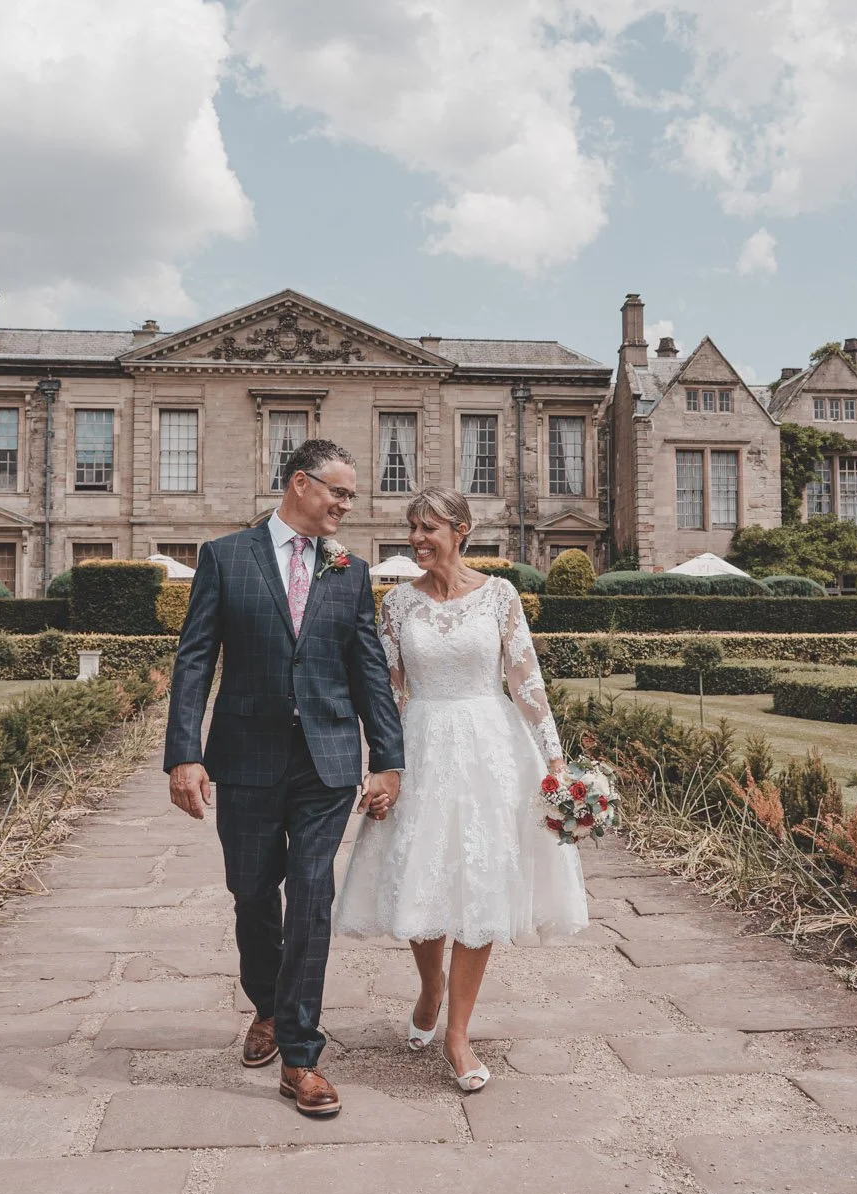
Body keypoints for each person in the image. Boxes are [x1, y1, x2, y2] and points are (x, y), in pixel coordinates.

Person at [164, 439, 404, 1119]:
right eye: (338, 491)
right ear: (300, 483)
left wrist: (388, 758)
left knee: (311, 894)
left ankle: (301, 1052)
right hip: (245, 755)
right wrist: (184, 753)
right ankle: (267, 1004)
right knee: (251, 892)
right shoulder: (224, 557)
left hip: (327, 757)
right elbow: (194, 658)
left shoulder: (351, 570)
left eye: (350, 494)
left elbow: (368, 669)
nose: (346, 504)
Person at [334, 486, 588, 1092]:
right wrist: (381, 765)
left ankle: (457, 1034)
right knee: (424, 872)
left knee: (481, 882)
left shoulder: (500, 596)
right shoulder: (397, 603)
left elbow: (526, 682)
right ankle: (431, 987)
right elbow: (388, 693)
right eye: (413, 527)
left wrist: (556, 763)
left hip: (490, 750)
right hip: (421, 746)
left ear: (461, 530)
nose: (417, 539)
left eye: (428, 528)